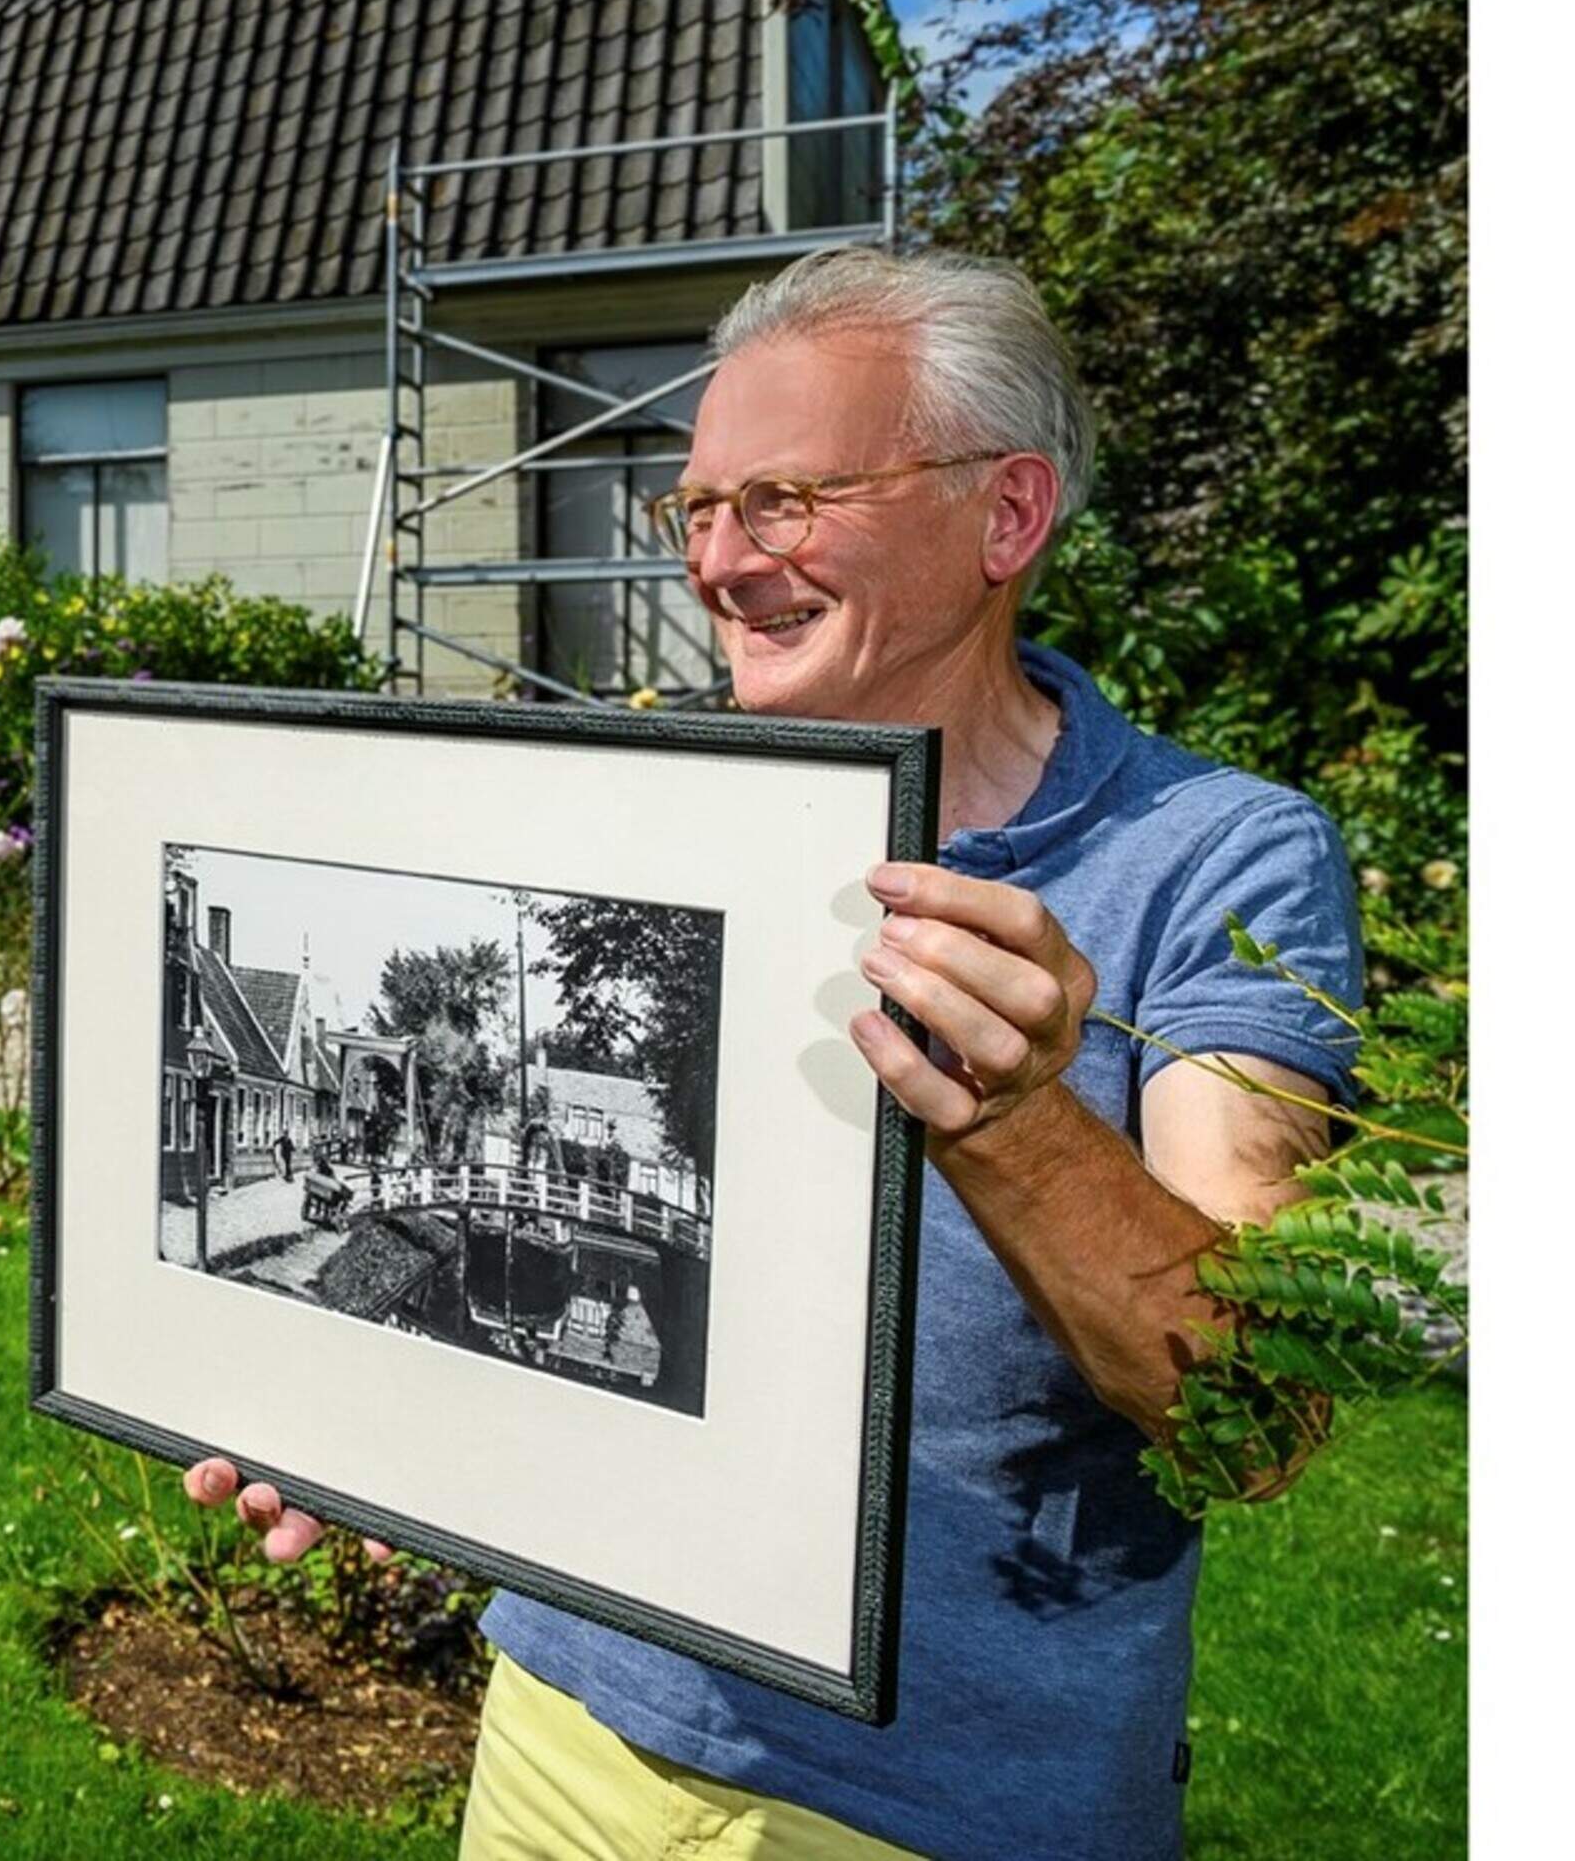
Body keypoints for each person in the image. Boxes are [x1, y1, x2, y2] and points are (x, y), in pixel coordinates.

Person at [187, 247, 1363, 1860]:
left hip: (933, 1809)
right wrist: (390, 1431)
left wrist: (1015, 1120)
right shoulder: (649, 815)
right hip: (561, 1726)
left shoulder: (1219, 862)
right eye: (699, 510)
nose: (722, 564)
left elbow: (1262, 1405)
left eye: (787, 502)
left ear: (1006, 515)